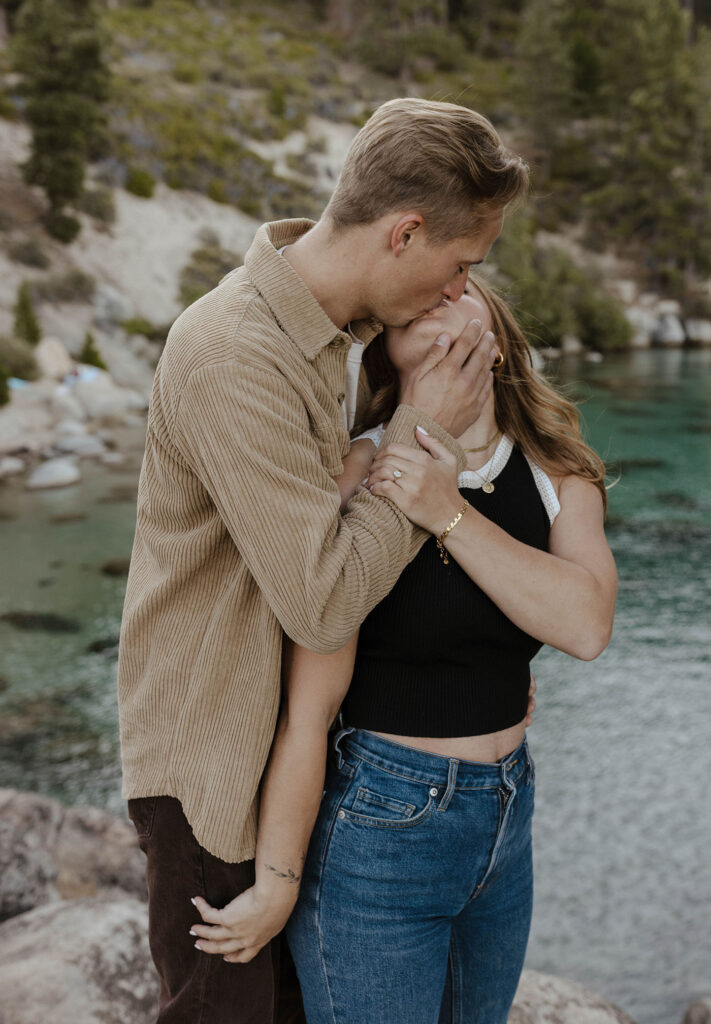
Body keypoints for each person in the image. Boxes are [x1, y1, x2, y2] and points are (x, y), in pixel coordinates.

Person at [117, 97, 531, 1023]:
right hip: (216, 772)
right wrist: (422, 431)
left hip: (303, 777)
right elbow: (322, 597)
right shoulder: (234, 353)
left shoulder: (332, 342)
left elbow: (341, 527)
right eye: (458, 263)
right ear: (404, 232)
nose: (461, 290)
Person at [189, 275, 618, 1023]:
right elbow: (309, 708)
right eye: (417, 300)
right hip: (378, 826)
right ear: (385, 349)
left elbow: (584, 625)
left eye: (460, 289)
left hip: (505, 820)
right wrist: (279, 882)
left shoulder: (555, 473)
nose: (436, 299)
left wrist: (445, 510)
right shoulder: (356, 473)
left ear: (497, 330)